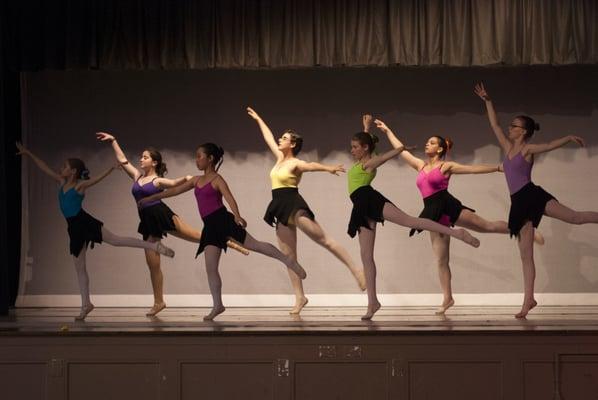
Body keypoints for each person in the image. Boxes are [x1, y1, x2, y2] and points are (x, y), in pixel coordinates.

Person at [373, 116, 544, 314]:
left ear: (439, 149)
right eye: (427, 142)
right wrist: (387, 131)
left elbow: (472, 169)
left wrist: (496, 167)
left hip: (448, 205)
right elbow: (401, 150)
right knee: (441, 260)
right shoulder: (420, 165)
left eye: (431, 142)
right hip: (431, 212)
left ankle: (523, 228)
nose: (426, 144)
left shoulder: (446, 166)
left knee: (487, 226)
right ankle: (448, 298)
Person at [139, 143, 307, 320]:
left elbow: (229, 198)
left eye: (199, 156)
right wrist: (152, 198)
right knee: (211, 268)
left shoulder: (217, 180)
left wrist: (237, 216)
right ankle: (218, 305)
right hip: (210, 227)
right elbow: (173, 191)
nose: (196, 160)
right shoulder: (196, 180)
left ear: (210, 159)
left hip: (223, 220)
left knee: (256, 245)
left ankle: (289, 261)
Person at [16, 142, 175, 320]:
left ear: (73, 171)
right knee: (79, 267)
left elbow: (96, 180)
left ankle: (154, 247)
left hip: (85, 223)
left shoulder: (79, 187)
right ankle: (86, 304)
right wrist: (28, 154)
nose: (61, 169)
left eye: (65, 167)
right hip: (74, 228)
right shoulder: (61, 182)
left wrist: (109, 170)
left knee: (116, 240)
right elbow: (44, 168)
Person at [474, 83, 594, 318]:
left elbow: (549, 145)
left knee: (575, 218)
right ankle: (529, 299)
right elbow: (495, 124)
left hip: (533, 195)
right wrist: (488, 100)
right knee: (525, 254)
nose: (509, 127)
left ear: (524, 131)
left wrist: (568, 137)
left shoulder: (528, 149)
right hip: (519, 203)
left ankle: (528, 299)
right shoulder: (507, 147)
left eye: (514, 126)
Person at [97, 132, 248, 317]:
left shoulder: (157, 180)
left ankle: (227, 240)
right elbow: (123, 160)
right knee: (152, 264)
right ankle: (159, 301)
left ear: (154, 162)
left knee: (195, 236)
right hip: (147, 222)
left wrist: (186, 178)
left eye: (145, 157)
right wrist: (113, 141)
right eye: (141, 156)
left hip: (162, 214)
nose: (141, 159)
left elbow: (174, 184)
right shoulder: (136, 176)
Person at [346, 121, 480, 319]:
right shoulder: (363, 159)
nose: (352, 150)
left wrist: (400, 149)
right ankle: (373, 302)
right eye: (352, 147)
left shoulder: (369, 163)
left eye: (355, 147)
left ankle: (456, 232)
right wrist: (366, 129)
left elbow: (382, 157)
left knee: (410, 221)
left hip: (371, 200)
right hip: (360, 208)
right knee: (366, 256)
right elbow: (369, 146)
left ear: (365, 148)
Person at [247, 107, 366, 315]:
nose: (279, 140)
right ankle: (300, 297)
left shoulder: (295, 163)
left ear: (292, 144)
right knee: (289, 256)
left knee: (324, 240)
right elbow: (267, 137)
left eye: (283, 138)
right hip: (279, 207)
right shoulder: (279, 158)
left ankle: (356, 271)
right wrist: (259, 119)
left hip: (293, 204)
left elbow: (310, 165)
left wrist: (328, 168)